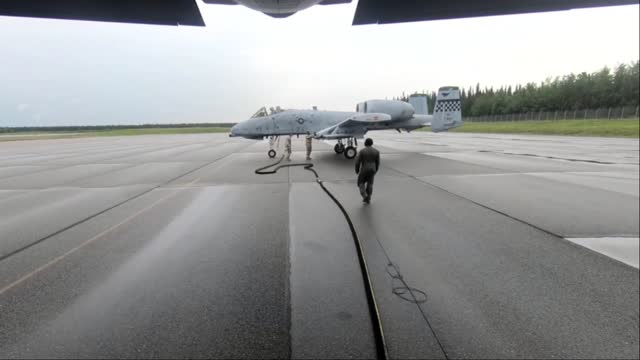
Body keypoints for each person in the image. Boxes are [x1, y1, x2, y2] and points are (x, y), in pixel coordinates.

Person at [355, 138, 380, 204]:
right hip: (373, 169)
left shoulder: (362, 151)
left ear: (365, 143)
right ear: (372, 143)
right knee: (370, 183)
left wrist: (357, 170)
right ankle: (369, 198)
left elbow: (357, 162)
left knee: (360, 183)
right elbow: (378, 162)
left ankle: (365, 196)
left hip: (364, 169)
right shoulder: (376, 151)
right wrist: (375, 170)